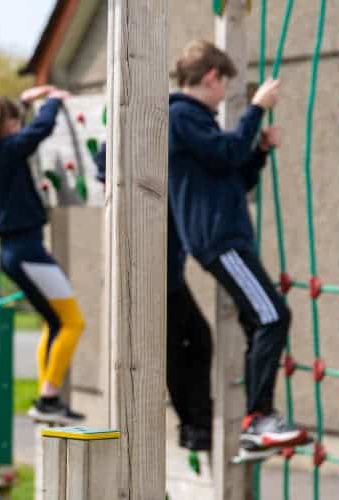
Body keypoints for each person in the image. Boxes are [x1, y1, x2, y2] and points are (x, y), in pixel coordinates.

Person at [166, 39, 307, 452]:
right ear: (212, 77)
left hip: (225, 236)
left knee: (258, 320)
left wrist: (259, 151)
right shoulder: (182, 116)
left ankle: (257, 420)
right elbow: (227, 152)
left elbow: (234, 175)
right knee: (272, 317)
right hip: (219, 239)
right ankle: (258, 419)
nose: (223, 94)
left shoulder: (198, 123)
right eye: (223, 85)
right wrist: (257, 107)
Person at [0, 85, 88, 423]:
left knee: (55, 322)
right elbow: (36, 132)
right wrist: (53, 102)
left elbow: (16, 136)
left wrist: (22, 104)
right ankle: (48, 397)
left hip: (16, 252)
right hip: (27, 250)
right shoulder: (6, 153)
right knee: (73, 322)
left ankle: (48, 397)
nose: (17, 126)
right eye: (12, 121)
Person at [93, 145, 216, 452]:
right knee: (191, 343)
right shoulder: (149, 146)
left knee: (183, 345)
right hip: (157, 274)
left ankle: (193, 424)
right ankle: (194, 424)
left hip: (161, 271)